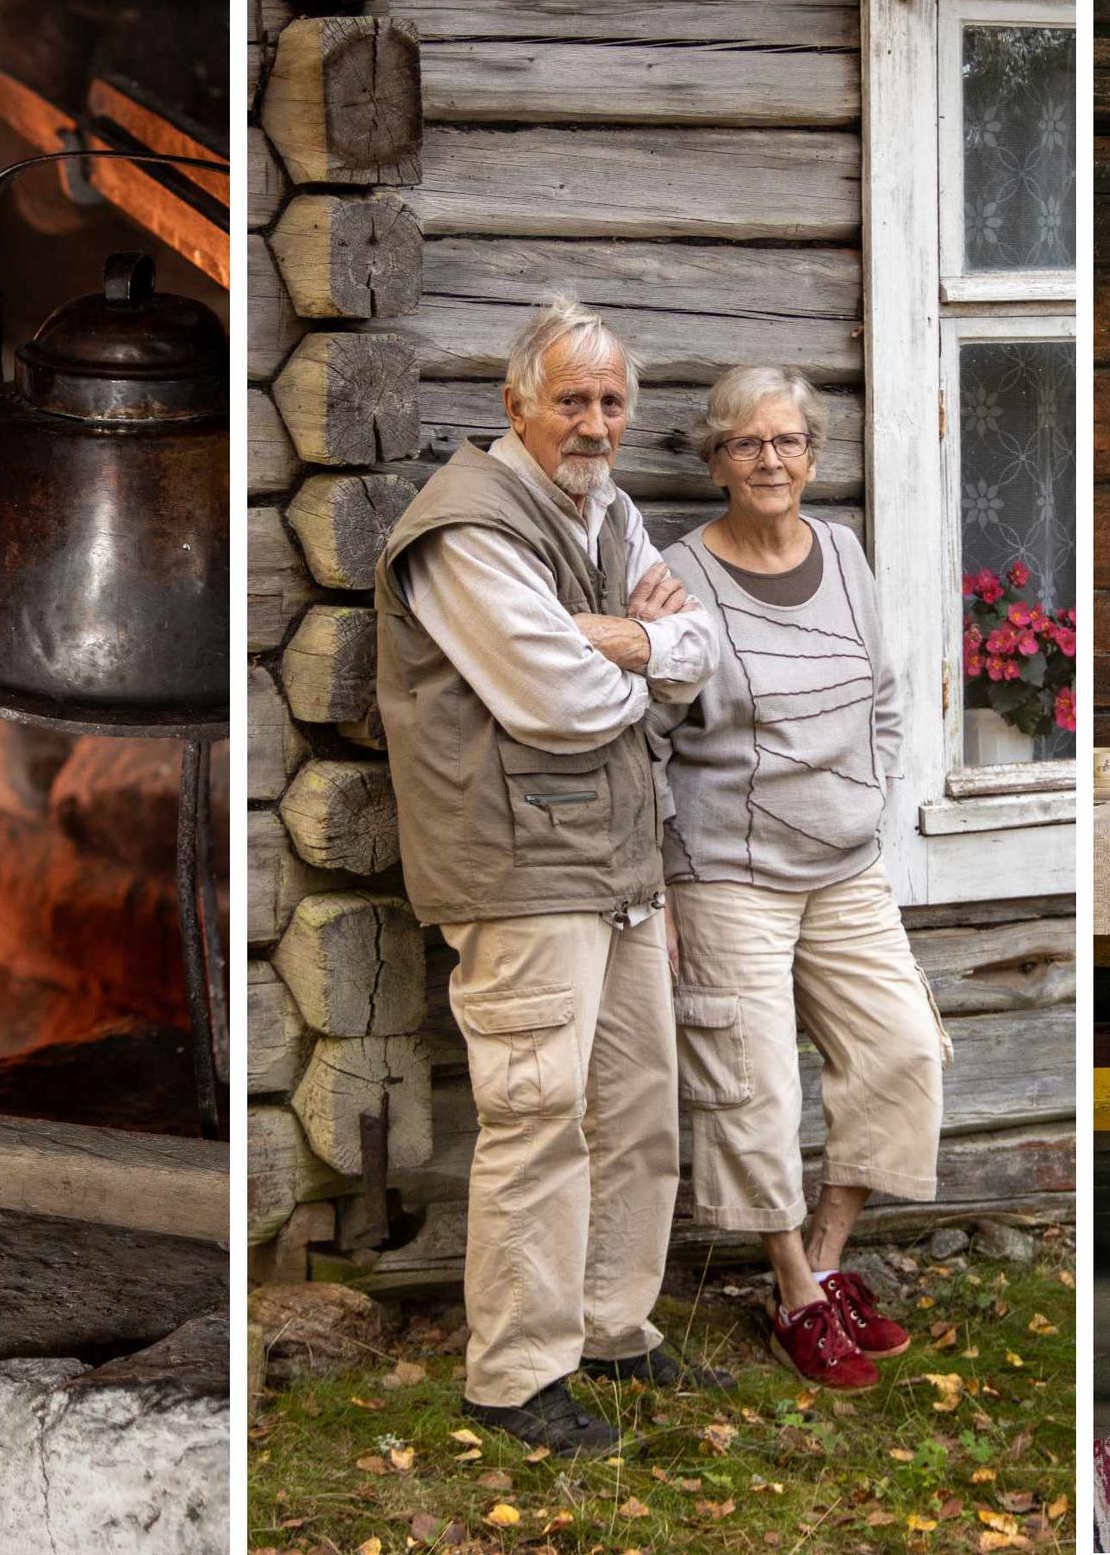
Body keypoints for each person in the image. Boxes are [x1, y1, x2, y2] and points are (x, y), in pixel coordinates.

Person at [372, 297, 727, 1453]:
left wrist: (630, 638)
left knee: (635, 1108)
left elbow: (693, 651)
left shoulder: (605, 507)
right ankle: (516, 1375)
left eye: (611, 400)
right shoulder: (466, 527)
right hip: (519, 868)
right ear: (514, 403)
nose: (593, 421)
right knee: (536, 1116)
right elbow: (554, 699)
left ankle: (611, 1323)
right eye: (570, 399)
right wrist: (634, 645)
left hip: (614, 859)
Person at [650, 365, 950, 1393]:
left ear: (813, 455)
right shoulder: (681, 577)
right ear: (716, 459)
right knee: (753, 1089)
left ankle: (823, 1253)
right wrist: (669, 879)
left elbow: (884, 696)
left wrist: (871, 798)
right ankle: (791, 1297)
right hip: (730, 875)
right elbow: (646, 739)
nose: (769, 460)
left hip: (846, 869)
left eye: (786, 442)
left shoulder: (846, 552)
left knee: (902, 1049)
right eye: (746, 444)